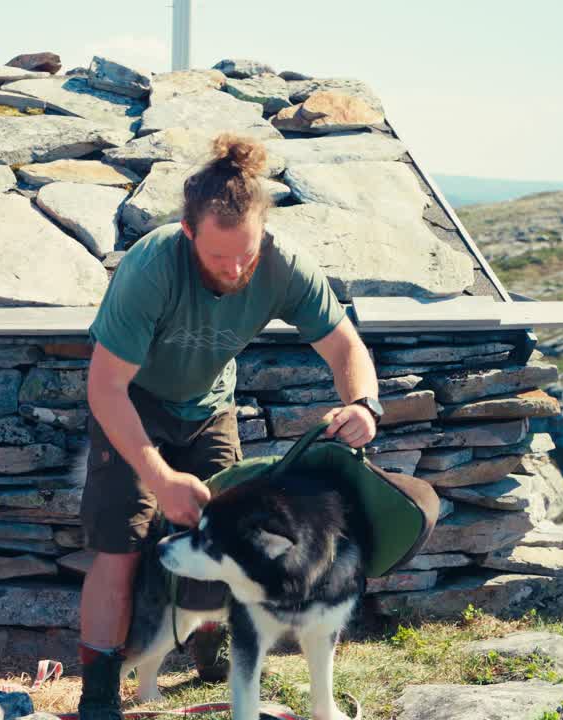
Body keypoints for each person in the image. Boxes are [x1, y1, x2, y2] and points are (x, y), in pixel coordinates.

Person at [75, 134, 384, 719]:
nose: (237, 268)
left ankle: (211, 653)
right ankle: (98, 695)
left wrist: (364, 405)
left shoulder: (282, 262)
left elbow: (346, 347)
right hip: (133, 407)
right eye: (220, 259)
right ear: (189, 234)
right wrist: (160, 476)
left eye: (247, 254)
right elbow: (105, 388)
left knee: (233, 533)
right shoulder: (150, 269)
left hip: (210, 407)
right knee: (120, 548)